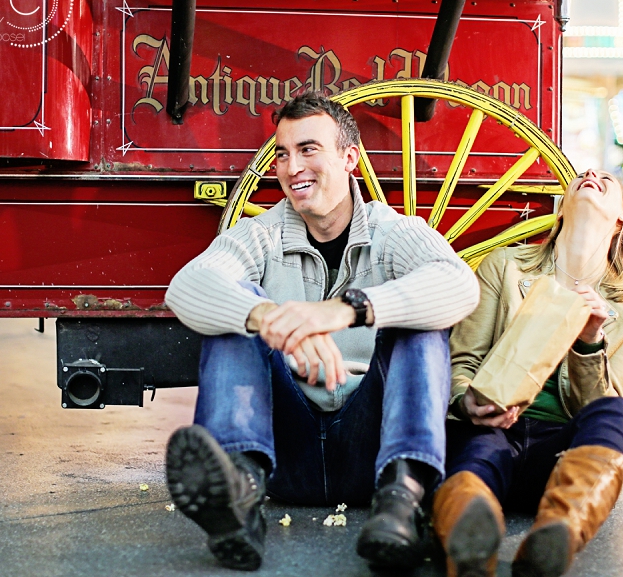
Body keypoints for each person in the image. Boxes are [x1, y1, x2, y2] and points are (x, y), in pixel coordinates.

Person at [163, 92, 480, 571]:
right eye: (283, 154)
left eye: (308, 149)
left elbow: (458, 285)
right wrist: (270, 319)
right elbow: (186, 286)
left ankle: (403, 502)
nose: (293, 167)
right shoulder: (262, 234)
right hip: (280, 452)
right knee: (235, 309)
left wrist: (348, 311)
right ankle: (237, 496)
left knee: (419, 324)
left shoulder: (394, 232)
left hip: (374, 453)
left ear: (349, 157)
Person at [431, 169, 623, 577]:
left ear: (620, 220)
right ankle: (469, 529)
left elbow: (599, 406)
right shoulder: (505, 266)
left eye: (606, 179)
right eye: (583, 175)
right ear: (561, 209)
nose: (591, 174)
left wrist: (589, 342)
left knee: (618, 414)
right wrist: (466, 401)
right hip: (492, 431)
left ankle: (559, 532)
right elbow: (463, 361)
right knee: (477, 454)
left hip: (559, 456)